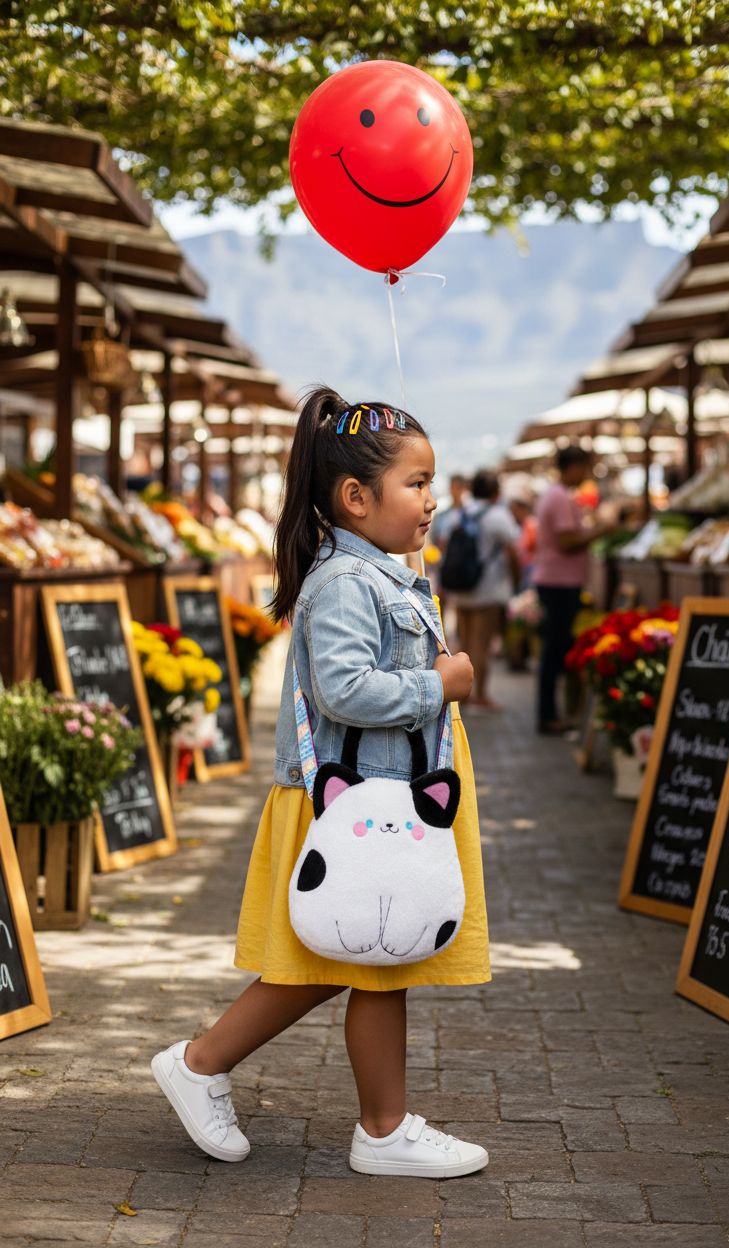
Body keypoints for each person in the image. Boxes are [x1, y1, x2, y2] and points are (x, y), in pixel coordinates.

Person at [151, 386, 491, 1180]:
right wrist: (437, 685)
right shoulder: (346, 583)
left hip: (382, 801)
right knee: (367, 959)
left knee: (356, 959)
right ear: (355, 497)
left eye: (430, 482)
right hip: (351, 804)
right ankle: (373, 1125)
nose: (432, 500)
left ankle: (215, 1070)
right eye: (417, 483)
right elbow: (344, 689)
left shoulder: (384, 574)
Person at [534, 446, 617, 734]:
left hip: (558, 581)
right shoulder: (558, 497)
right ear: (572, 467)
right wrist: (604, 530)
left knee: (555, 651)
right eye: (585, 467)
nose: (587, 474)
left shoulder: (557, 495)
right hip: (559, 583)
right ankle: (548, 716)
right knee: (554, 653)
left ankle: (554, 714)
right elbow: (568, 542)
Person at [448, 470, 520, 709]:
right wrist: (516, 581)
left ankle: (463, 696)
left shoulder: (463, 512)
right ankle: (477, 695)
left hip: (461, 585)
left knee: (465, 641)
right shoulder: (498, 515)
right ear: (496, 492)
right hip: (487, 587)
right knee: (481, 644)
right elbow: (514, 550)